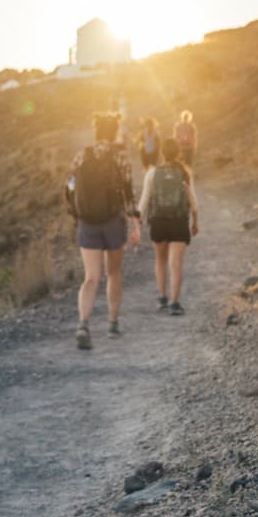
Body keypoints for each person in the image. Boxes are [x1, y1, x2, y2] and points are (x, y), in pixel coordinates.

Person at [67, 111, 140, 349]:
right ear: (115, 131)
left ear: (96, 131)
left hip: (87, 222)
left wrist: (76, 215)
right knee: (114, 273)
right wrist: (136, 224)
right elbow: (129, 193)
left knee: (90, 277)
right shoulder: (120, 157)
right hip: (113, 221)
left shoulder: (81, 155)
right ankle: (112, 323)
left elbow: (69, 187)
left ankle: (83, 324)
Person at [143, 147, 199, 315]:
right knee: (176, 265)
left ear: (162, 154)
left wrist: (138, 221)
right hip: (179, 222)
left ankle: (162, 298)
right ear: (178, 153)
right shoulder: (184, 172)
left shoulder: (152, 173)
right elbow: (193, 201)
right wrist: (195, 222)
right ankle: (175, 304)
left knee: (160, 261)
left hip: (158, 222)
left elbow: (144, 200)